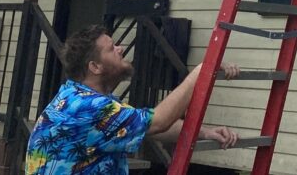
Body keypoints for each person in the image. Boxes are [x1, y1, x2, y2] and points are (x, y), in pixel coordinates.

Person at [26, 25, 240, 175]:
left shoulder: (85, 98)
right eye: (111, 48)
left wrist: (203, 132)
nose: (120, 49)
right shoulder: (87, 108)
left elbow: (147, 127)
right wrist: (204, 69)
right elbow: (158, 121)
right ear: (95, 67)